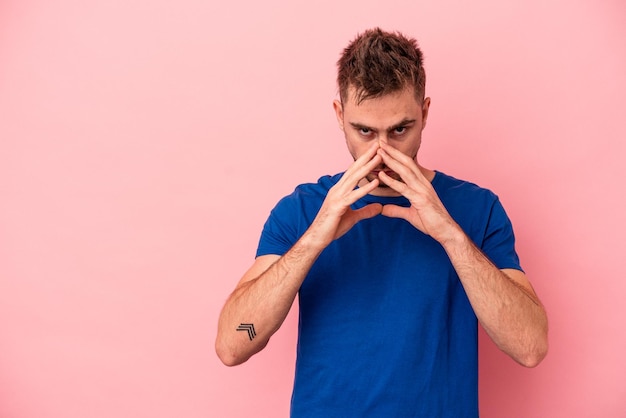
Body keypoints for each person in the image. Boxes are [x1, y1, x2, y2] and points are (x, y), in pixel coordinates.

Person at [215, 27, 548, 417]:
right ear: (340, 116)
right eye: (364, 131)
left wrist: (452, 236)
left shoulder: (477, 208)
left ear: (424, 113)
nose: (381, 151)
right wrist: (312, 242)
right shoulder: (301, 211)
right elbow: (232, 346)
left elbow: (530, 348)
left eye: (400, 130)